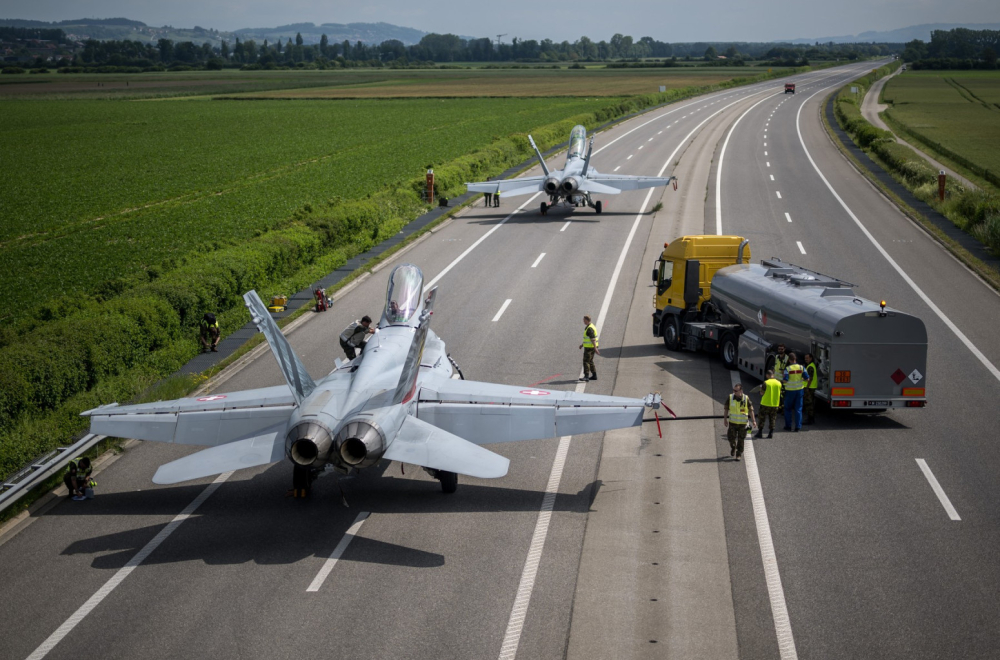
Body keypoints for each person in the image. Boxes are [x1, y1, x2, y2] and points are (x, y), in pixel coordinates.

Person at [723, 382, 756, 461]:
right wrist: (725, 419)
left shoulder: (746, 398)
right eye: (733, 390)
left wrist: (754, 421)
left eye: (736, 390)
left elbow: (751, 410)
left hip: (742, 424)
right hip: (732, 423)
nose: (734, 392)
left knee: (741, 439)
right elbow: (726, 409)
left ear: (741, 391)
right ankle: (733, 447)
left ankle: (738, 454)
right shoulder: (730, 397)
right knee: (731, 438)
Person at [751, 369, 782, 438]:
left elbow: (762, 393)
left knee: (762, 418)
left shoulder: (766, 383)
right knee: (772, 418)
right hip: (775, 404)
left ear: (767, 375)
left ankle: (760, 433)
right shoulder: (779, 383)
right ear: (773, 375)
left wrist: (760, 391)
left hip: (765, 403)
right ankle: (770, 433)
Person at [782, 352, 805, 432]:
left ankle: (788, 426)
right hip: (799, 390)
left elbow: (785, 380)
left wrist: (781, 381)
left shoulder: (787, 369)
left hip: (790, 391)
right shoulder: (801, 367)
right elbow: (807, 378)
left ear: (789, 360)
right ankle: (798, 427)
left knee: (788, 409)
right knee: (798, 409)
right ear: (795, 359)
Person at [578, 315, 599, 381]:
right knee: (590, 361)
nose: (583, 321)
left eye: (584, 320)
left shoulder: (589, 328)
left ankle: (586, 376)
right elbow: (588, 339)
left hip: (590, 348)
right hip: (590, 347)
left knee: (586, 361)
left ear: (587, 320)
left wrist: (595, 348)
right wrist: (582, 345)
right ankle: (594, 375)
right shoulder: (590, 326)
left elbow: (592, 339)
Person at [772, 344, 789, 412]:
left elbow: (788, 368)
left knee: (783, 395)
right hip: (776, 379)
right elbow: (775, 366)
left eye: (782, 349)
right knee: (777, 394)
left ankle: (783, 409)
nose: (780, 350)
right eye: (779, 349)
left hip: (783, 380)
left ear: (784, 349)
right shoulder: (776, 356)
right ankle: (778, 407)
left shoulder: (787, 358)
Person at [803, 353, 818, 425]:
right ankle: (810, 419)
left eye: (807, 358)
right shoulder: (810, 366)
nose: (806, 359)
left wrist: (807, 388)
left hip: (810, 388)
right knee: (810, 403)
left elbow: (810, 379)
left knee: (809, 404)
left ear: (811, 358)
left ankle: (810, 420)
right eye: (805, 358)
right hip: (811, 387)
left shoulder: (810, 367)